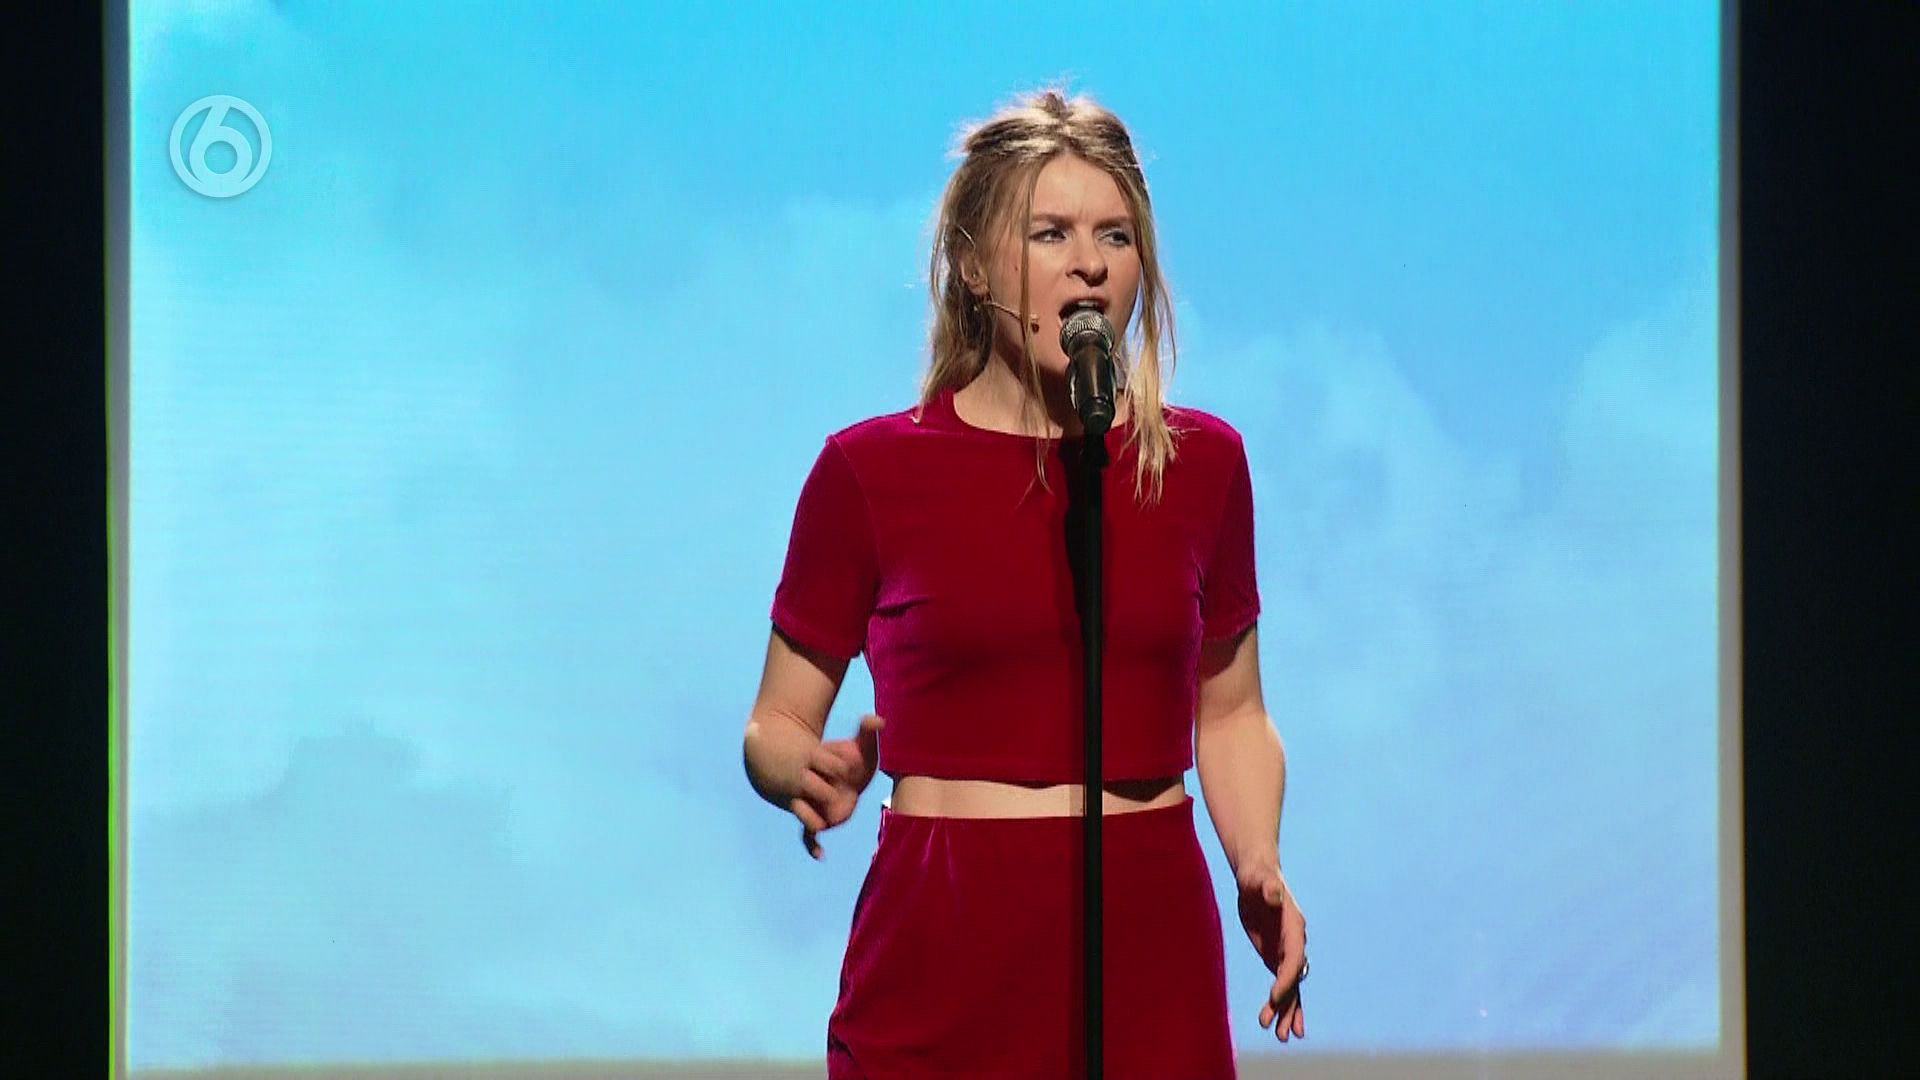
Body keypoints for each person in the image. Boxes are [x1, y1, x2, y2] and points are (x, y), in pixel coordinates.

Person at [742, 88, 1307, 1078]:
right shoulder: (870, 473)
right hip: (946, 950)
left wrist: (1256, 860)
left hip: (1150, 946)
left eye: (1116, 236)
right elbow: (775, 723)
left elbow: (1231, 713)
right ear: (974, 265)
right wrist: (803, 769)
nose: (1091, 264)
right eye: (1052, 234)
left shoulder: (1201, 465)